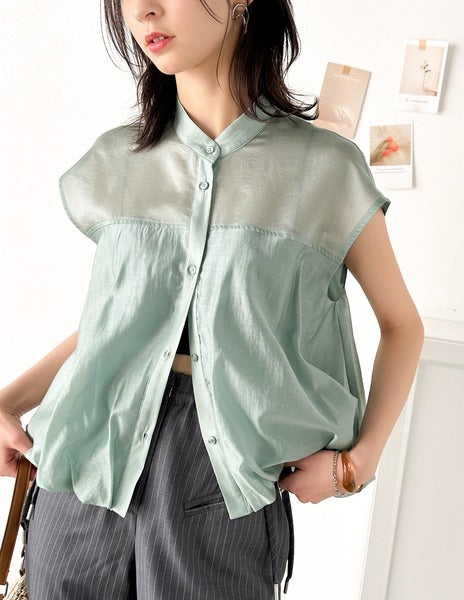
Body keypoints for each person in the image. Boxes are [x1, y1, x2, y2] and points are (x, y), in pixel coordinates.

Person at [0, 1, 425, 599]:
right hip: (82, 475)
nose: (143, 10)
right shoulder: (119, 158)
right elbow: (116, 330)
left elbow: (402, 325)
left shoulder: (325, 169)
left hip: (218, 483)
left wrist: (360, 462)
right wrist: (7, 403)